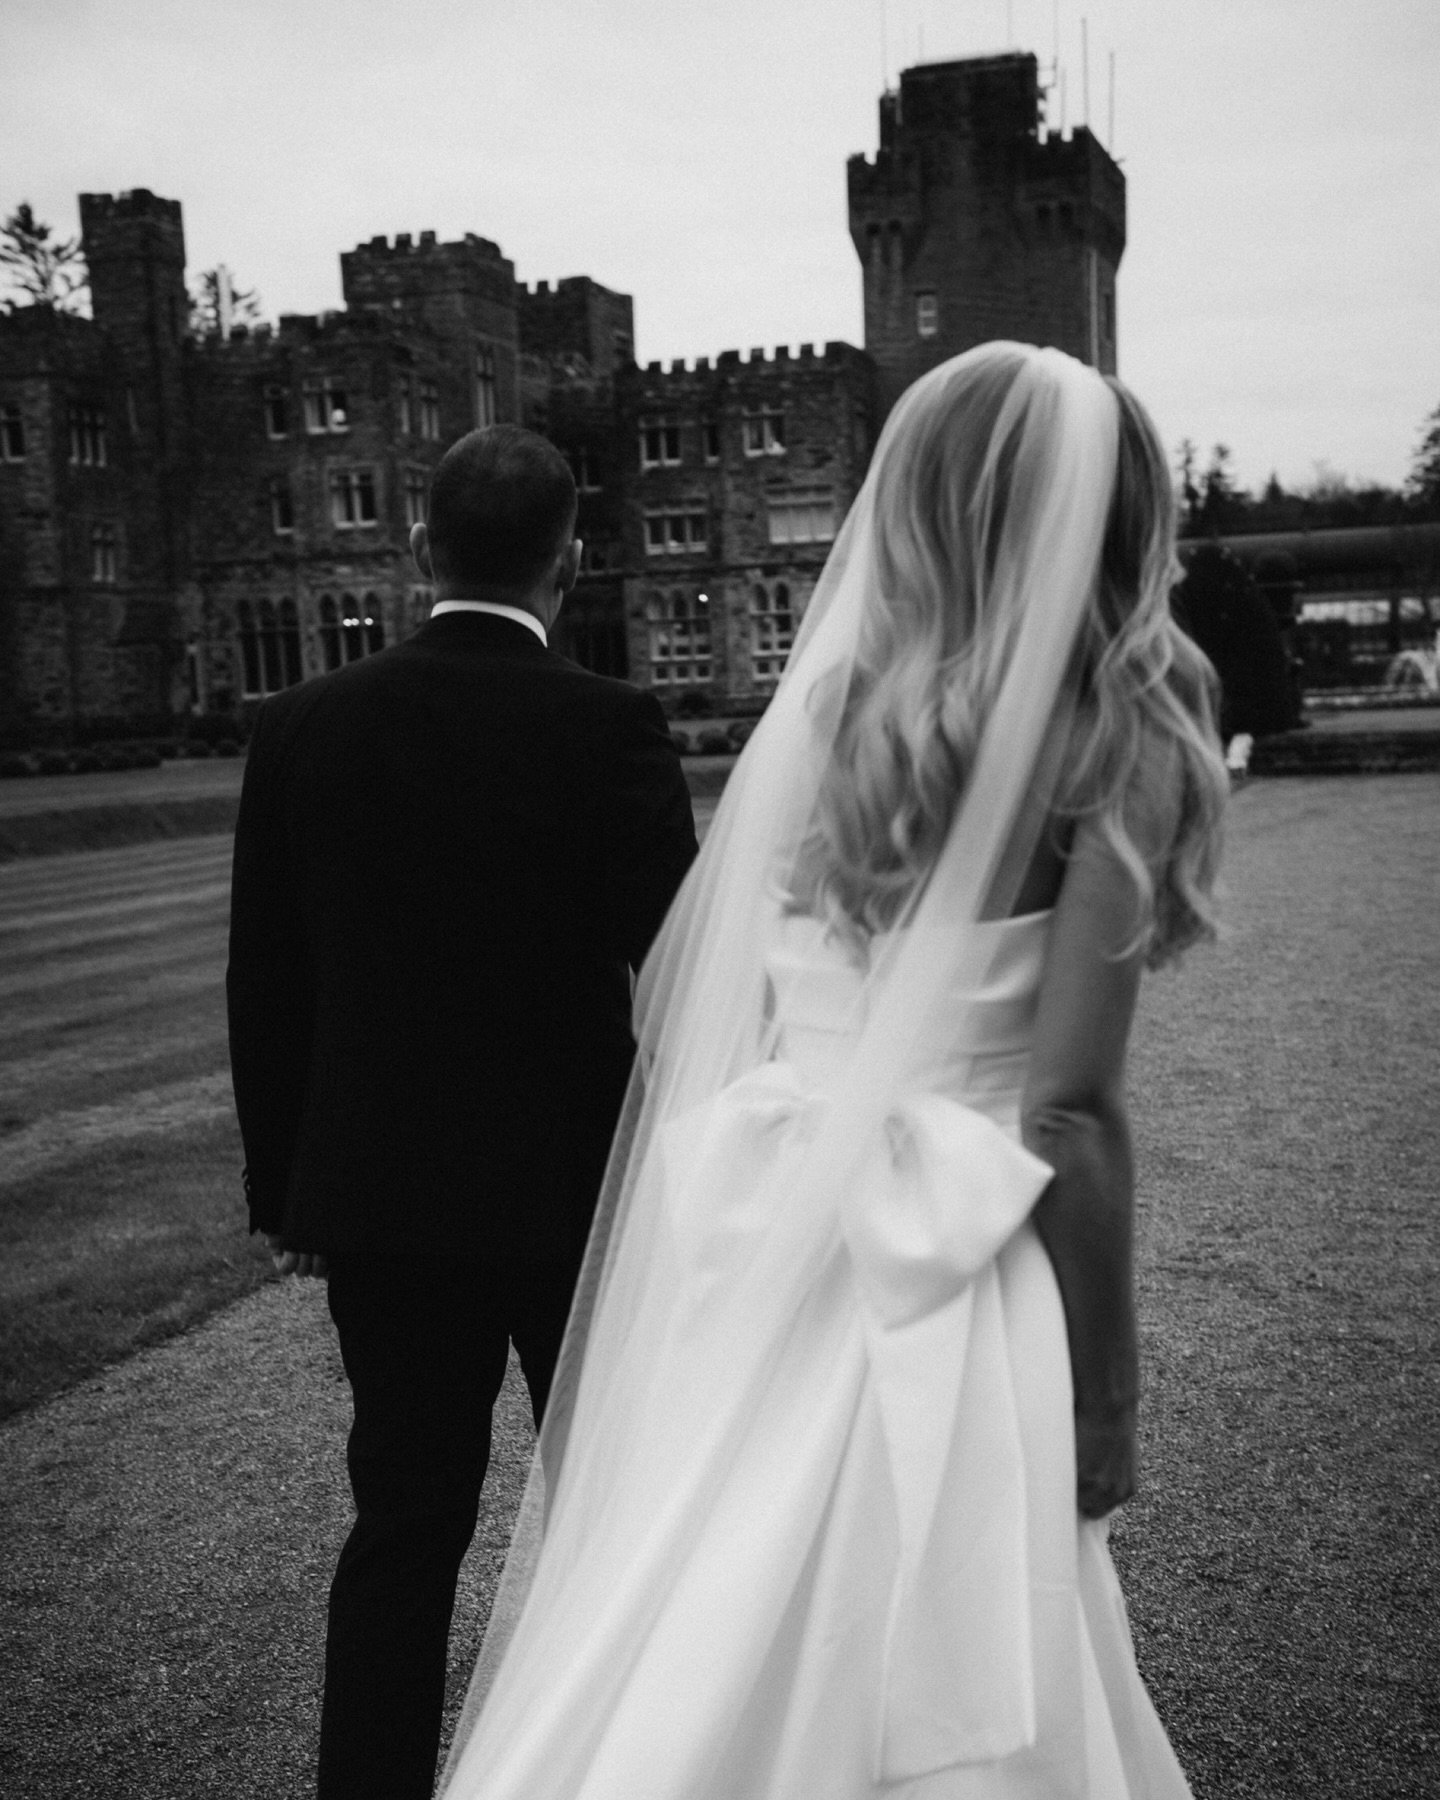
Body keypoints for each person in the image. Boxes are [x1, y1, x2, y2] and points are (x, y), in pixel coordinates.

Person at [439, 344, 1228, 1800]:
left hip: (776, 1236)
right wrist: (1110, 1394)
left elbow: (711, 1002)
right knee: (950, 1628)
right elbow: (1066, 1106)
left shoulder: (826, 714)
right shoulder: (1116, 729)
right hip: (961, 1270)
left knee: (712, 1596)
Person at [225, 423, 697, 1800]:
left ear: (423, 548)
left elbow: (268, 982)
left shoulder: (303, 724)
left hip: (379, 1203)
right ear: (575, 556)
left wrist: (286, 1197)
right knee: (610, 1517)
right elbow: (684, 979)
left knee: (406, 1524)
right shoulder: (609, 727)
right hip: (576, 1207)